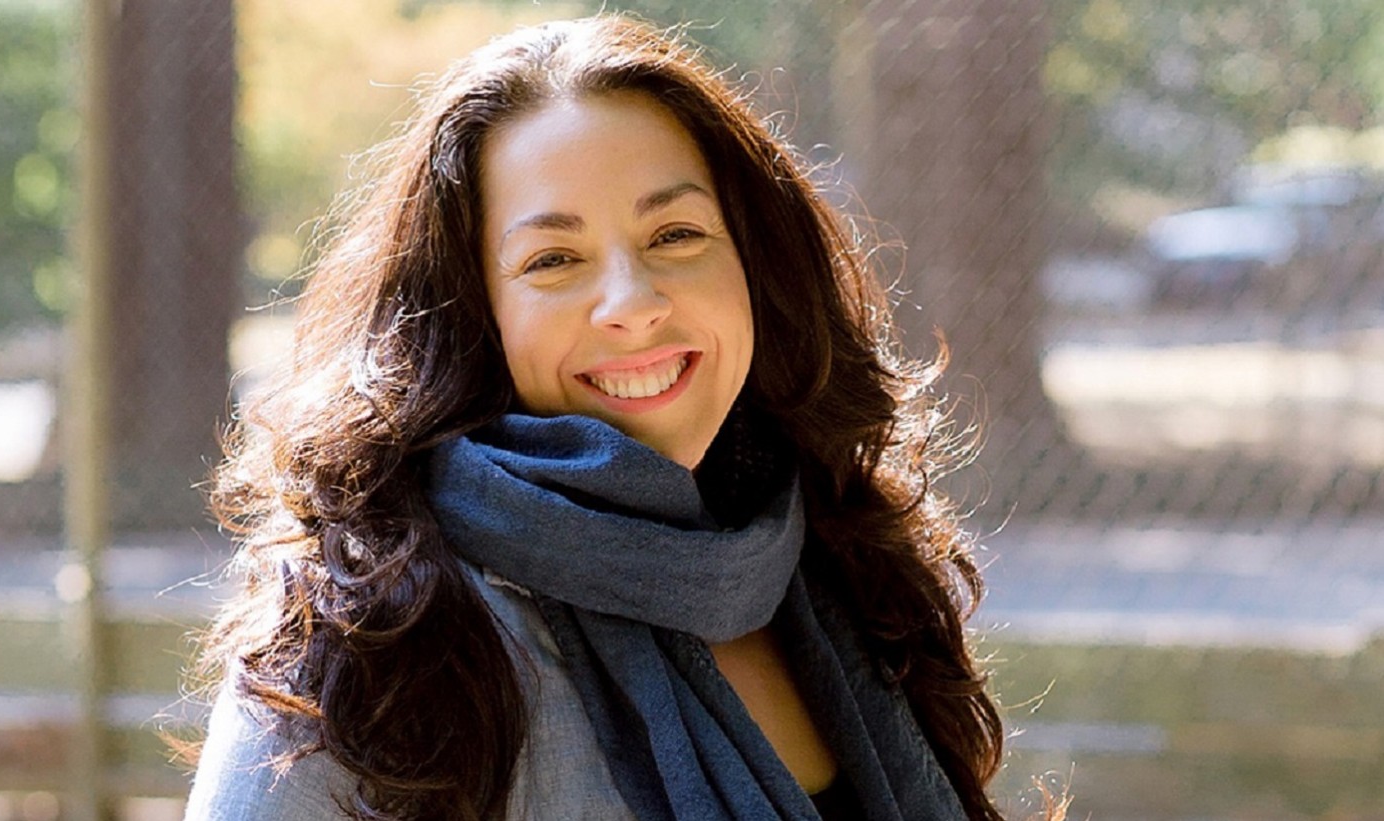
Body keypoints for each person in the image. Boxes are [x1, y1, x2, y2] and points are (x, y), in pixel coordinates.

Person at [185, 13, 1013, 821]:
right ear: (474, 313)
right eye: (553, 259)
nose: (631, 302)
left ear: (755, 263)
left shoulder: (849, 568)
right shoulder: (374, 641)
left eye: (676, 234)